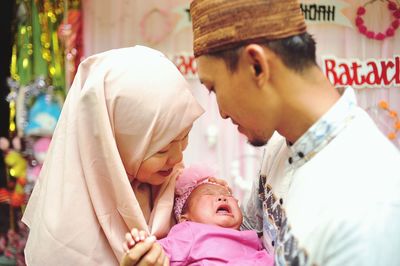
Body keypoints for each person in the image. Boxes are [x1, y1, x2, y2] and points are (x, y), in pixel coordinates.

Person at [189, 0, 400, 265]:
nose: (221, 112)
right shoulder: (280, 142)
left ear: (256, 66)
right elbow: (245, 239)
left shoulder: (370, 206)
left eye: (214, 88)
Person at [21, 46, 205, 265]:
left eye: (184, 136)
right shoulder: (65, 232)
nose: (177, 158)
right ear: (112, 145)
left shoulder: (177, 191)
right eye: (162, 149)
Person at [121, 165, 274, 266]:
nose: (222, 197)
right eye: (208, 194)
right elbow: (162, 252)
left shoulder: (252, 236)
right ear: (185, 218)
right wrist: (143, 247)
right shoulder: (191, 231)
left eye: (226, 195)